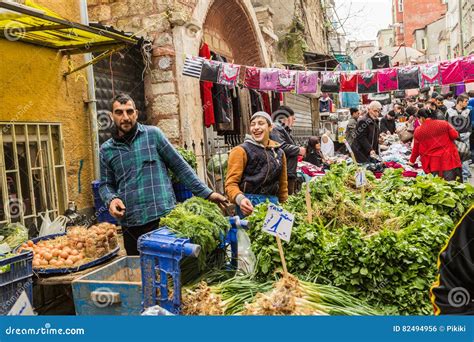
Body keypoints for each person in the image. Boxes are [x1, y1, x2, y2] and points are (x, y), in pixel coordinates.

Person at [99, 94, 226, 255]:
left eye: (129, 111)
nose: (125, 117)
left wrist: (207, 193)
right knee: (140, 271)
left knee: (168, 268)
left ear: (136, 113)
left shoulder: (153, 135)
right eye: (119, 112)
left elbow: (180, 166)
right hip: (131, 223)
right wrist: (111, 199)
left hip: (162, 218)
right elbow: (105, 185)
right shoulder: (106, 150)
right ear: (112, 116)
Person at [225, 111, 288, 217]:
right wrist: (241, 199)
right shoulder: (240, 151)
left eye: (261, 123)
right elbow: (230, 184)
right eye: (253, 124)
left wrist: (285, 205)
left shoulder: (279, 152)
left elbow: (283, 185)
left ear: (270, 127)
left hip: (273, 206)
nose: (256, 127)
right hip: (248, 206)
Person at [408, 109, 462, 182]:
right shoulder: (444, 124)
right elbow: (455, 135)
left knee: (438, 186)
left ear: (422, 118)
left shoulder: (418, 130)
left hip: (432, 164)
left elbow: (416, 149)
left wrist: (411, 161)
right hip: (449, 159)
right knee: (453, 184)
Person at [270, 105, 305, 195]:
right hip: (283, 173)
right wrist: (298, 150)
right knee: (284, 200)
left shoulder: (284, 129)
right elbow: (280, 147)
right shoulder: (276, 128)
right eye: (293, 118)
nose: (294, 121)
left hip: (288, 172)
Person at [446, 93, 472, 181]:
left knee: (465, 156)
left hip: (465, 136)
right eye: (466, 101)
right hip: (454, 137)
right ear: (460, 102)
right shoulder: (449, 111)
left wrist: (468, 133)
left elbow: (469, 123)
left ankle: (464, 177)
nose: (467, 103)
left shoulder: (468, 110)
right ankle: (458, 176)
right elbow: (447, 124)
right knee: (455, 156)